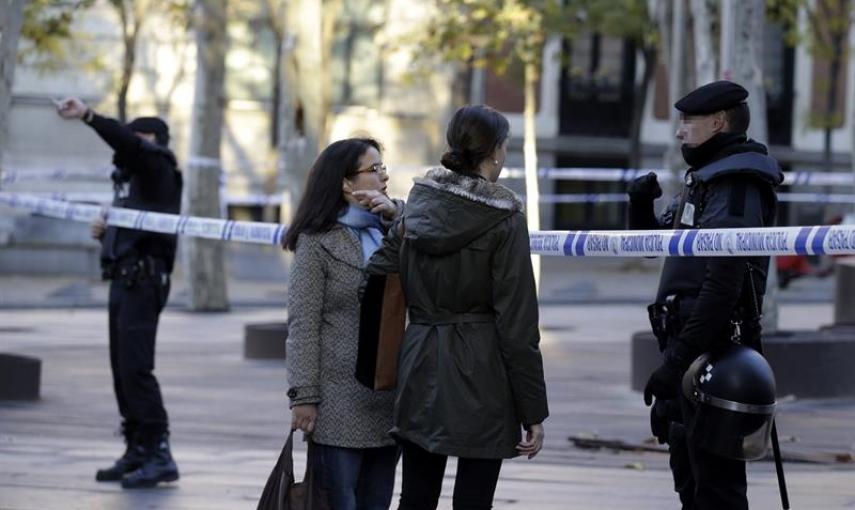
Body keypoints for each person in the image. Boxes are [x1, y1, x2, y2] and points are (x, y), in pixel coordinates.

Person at [365, 105, 549, 510]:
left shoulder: (418, 205)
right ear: (496, 152)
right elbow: (517, 324)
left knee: (415, 496)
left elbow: (379, 270)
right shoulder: (505, 219)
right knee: (474, 500)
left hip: (419, 359)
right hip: (482, 371)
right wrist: (533, 409)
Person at [626, 81, 783, 509]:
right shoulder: (706, 179)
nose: (679, 132)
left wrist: (675, 365)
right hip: (689, 348)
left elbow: (723, 284)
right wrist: (639, 207)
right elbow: (665, 248)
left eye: (687, 122)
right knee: (690, 479)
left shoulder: (737, 183)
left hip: (717, 355)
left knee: (717, 489)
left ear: (717, 123)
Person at [56, 98, 182, 489]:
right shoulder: (130, 180)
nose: (127, 144)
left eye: (136, 137)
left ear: (154, 141)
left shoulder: (159, 166)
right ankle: (138, 448)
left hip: (144, 281)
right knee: (121, 370)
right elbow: (133, 227)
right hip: (123, 279)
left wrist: (91, 117)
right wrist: (106, 236)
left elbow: (132, 148)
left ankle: (160, 452)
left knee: (136, 369)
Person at [283, 138, 404, 510]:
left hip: (390, 397)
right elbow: (303, 323)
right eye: (373, 169)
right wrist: (304, 396)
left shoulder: (395, 231)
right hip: (338, 400)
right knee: (339, 502)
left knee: (377, 502)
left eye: (383, 167)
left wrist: (398, 217)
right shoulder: (317, 241)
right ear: (346, 183)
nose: (383, 176)